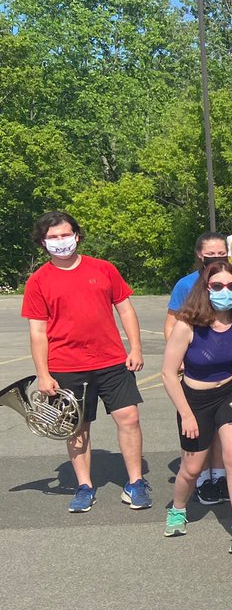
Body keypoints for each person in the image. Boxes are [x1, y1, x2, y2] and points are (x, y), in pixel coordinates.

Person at [21, 211, 149, 512]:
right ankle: (84, 486)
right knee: (77, 428)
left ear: (77, 235)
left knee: (129, 418)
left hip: (112, 361)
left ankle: (136, 483)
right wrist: (43, 373)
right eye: (52, 237)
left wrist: (136, 348)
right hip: (65, 366)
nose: (60, 241)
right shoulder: (38, 281)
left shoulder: (103, 269)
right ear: (43, 242)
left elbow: (125, 309)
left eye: (65, 234)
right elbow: (38, 332)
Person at [161, 261, 232, 548]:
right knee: (192, 468)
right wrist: (186, 414)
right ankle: (178, 508)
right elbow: (169, 374)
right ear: (206, 289)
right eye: (217, 286)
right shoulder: (187, 323)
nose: (225, 291)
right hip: (194, 399)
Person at [166, 232, 228, 340]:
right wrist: (175, 353)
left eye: (221, 253)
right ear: (200, 254)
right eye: (211, 254)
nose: (217, 257)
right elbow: (171, 325)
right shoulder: (186, 284)